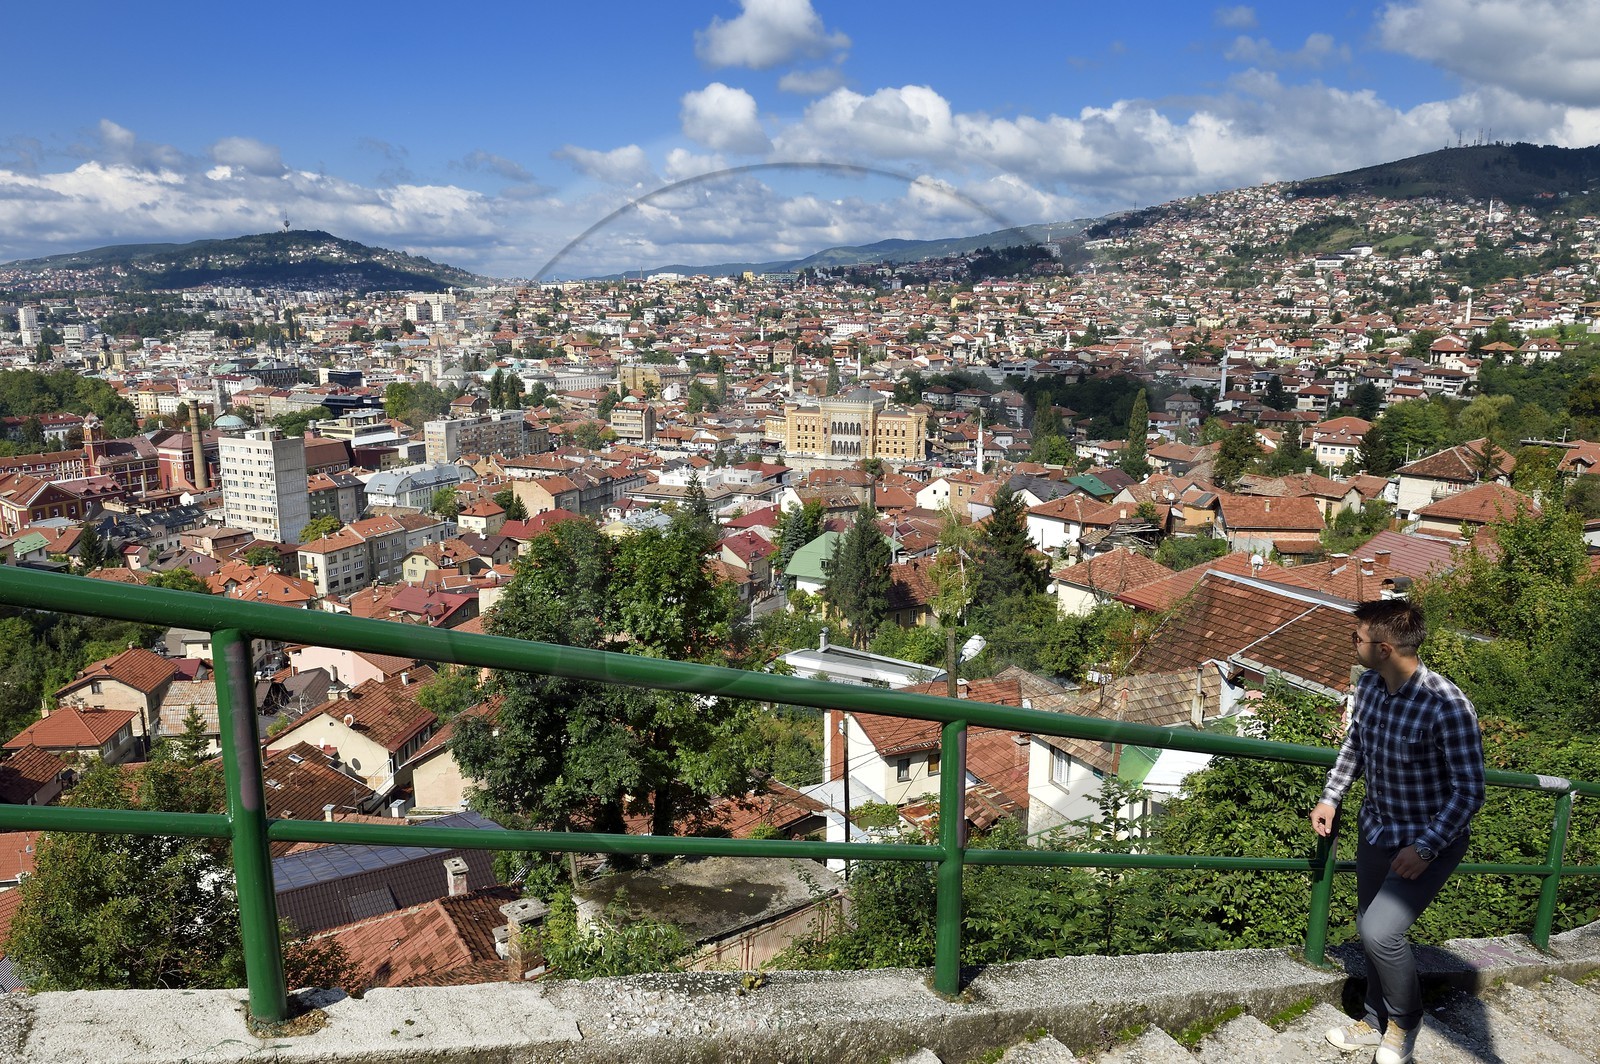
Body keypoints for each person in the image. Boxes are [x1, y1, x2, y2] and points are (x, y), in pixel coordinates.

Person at [1311, 599, 1485, 1064]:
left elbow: (1470, 792)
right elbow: (1355, 745)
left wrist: (1426, 848)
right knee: (1369, 933)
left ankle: (1404, 1024)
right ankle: (1373, 1018)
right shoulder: (1368, 685)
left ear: (1384, 648)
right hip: (1376, 829)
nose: (1353, 644)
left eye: (1358, 638)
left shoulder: (1446, 705)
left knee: (1381, 932)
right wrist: (1332, 796)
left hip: (1428, 840)